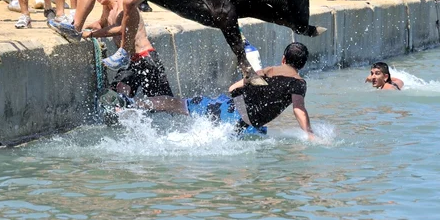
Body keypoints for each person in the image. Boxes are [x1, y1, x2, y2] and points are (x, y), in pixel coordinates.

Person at [131, 42, 316, 139]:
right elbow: (298, 108)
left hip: (226, 108)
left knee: (177, 104)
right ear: (303, 64)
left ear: (283, 59)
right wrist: (308, 132)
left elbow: (233, 87)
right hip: (243, 124)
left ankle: (131, 104)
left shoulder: (268, 70)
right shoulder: (299, 83)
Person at [87, 0, 173, 98]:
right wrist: (79, 28)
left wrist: (92, 34)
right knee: (115, 98)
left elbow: (122, 28)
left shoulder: (124, 0)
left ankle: (193, 105)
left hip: (144, 57)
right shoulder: (107, 8)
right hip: (129, 62)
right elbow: (100, 23)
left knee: (163, 102)